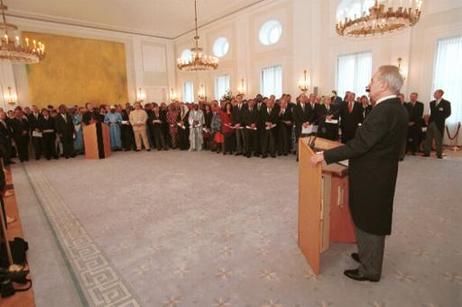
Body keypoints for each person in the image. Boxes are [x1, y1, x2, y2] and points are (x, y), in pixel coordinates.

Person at [311, 65, 408, 282]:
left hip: (373, 176)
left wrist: (325, 156)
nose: (369, 84)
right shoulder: (395, 107)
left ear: (383, 84)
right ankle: (367, 255)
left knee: (370, 219)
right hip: (379, 172)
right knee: (368, 216)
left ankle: (370, 269)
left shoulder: (384, 110)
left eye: (373, 80)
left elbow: (360, 144)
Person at [423, 89, 451, 159]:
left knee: (438, 139)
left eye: (435, 93)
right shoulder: (431, 103)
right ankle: (426, 153)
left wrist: (441, 119)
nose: (434, 94)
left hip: (439, 124)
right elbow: (432, 113)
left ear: (440, 94)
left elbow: (448, 113)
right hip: (431, 122)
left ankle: (439, 154)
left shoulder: (446, 103)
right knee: (428, 138)